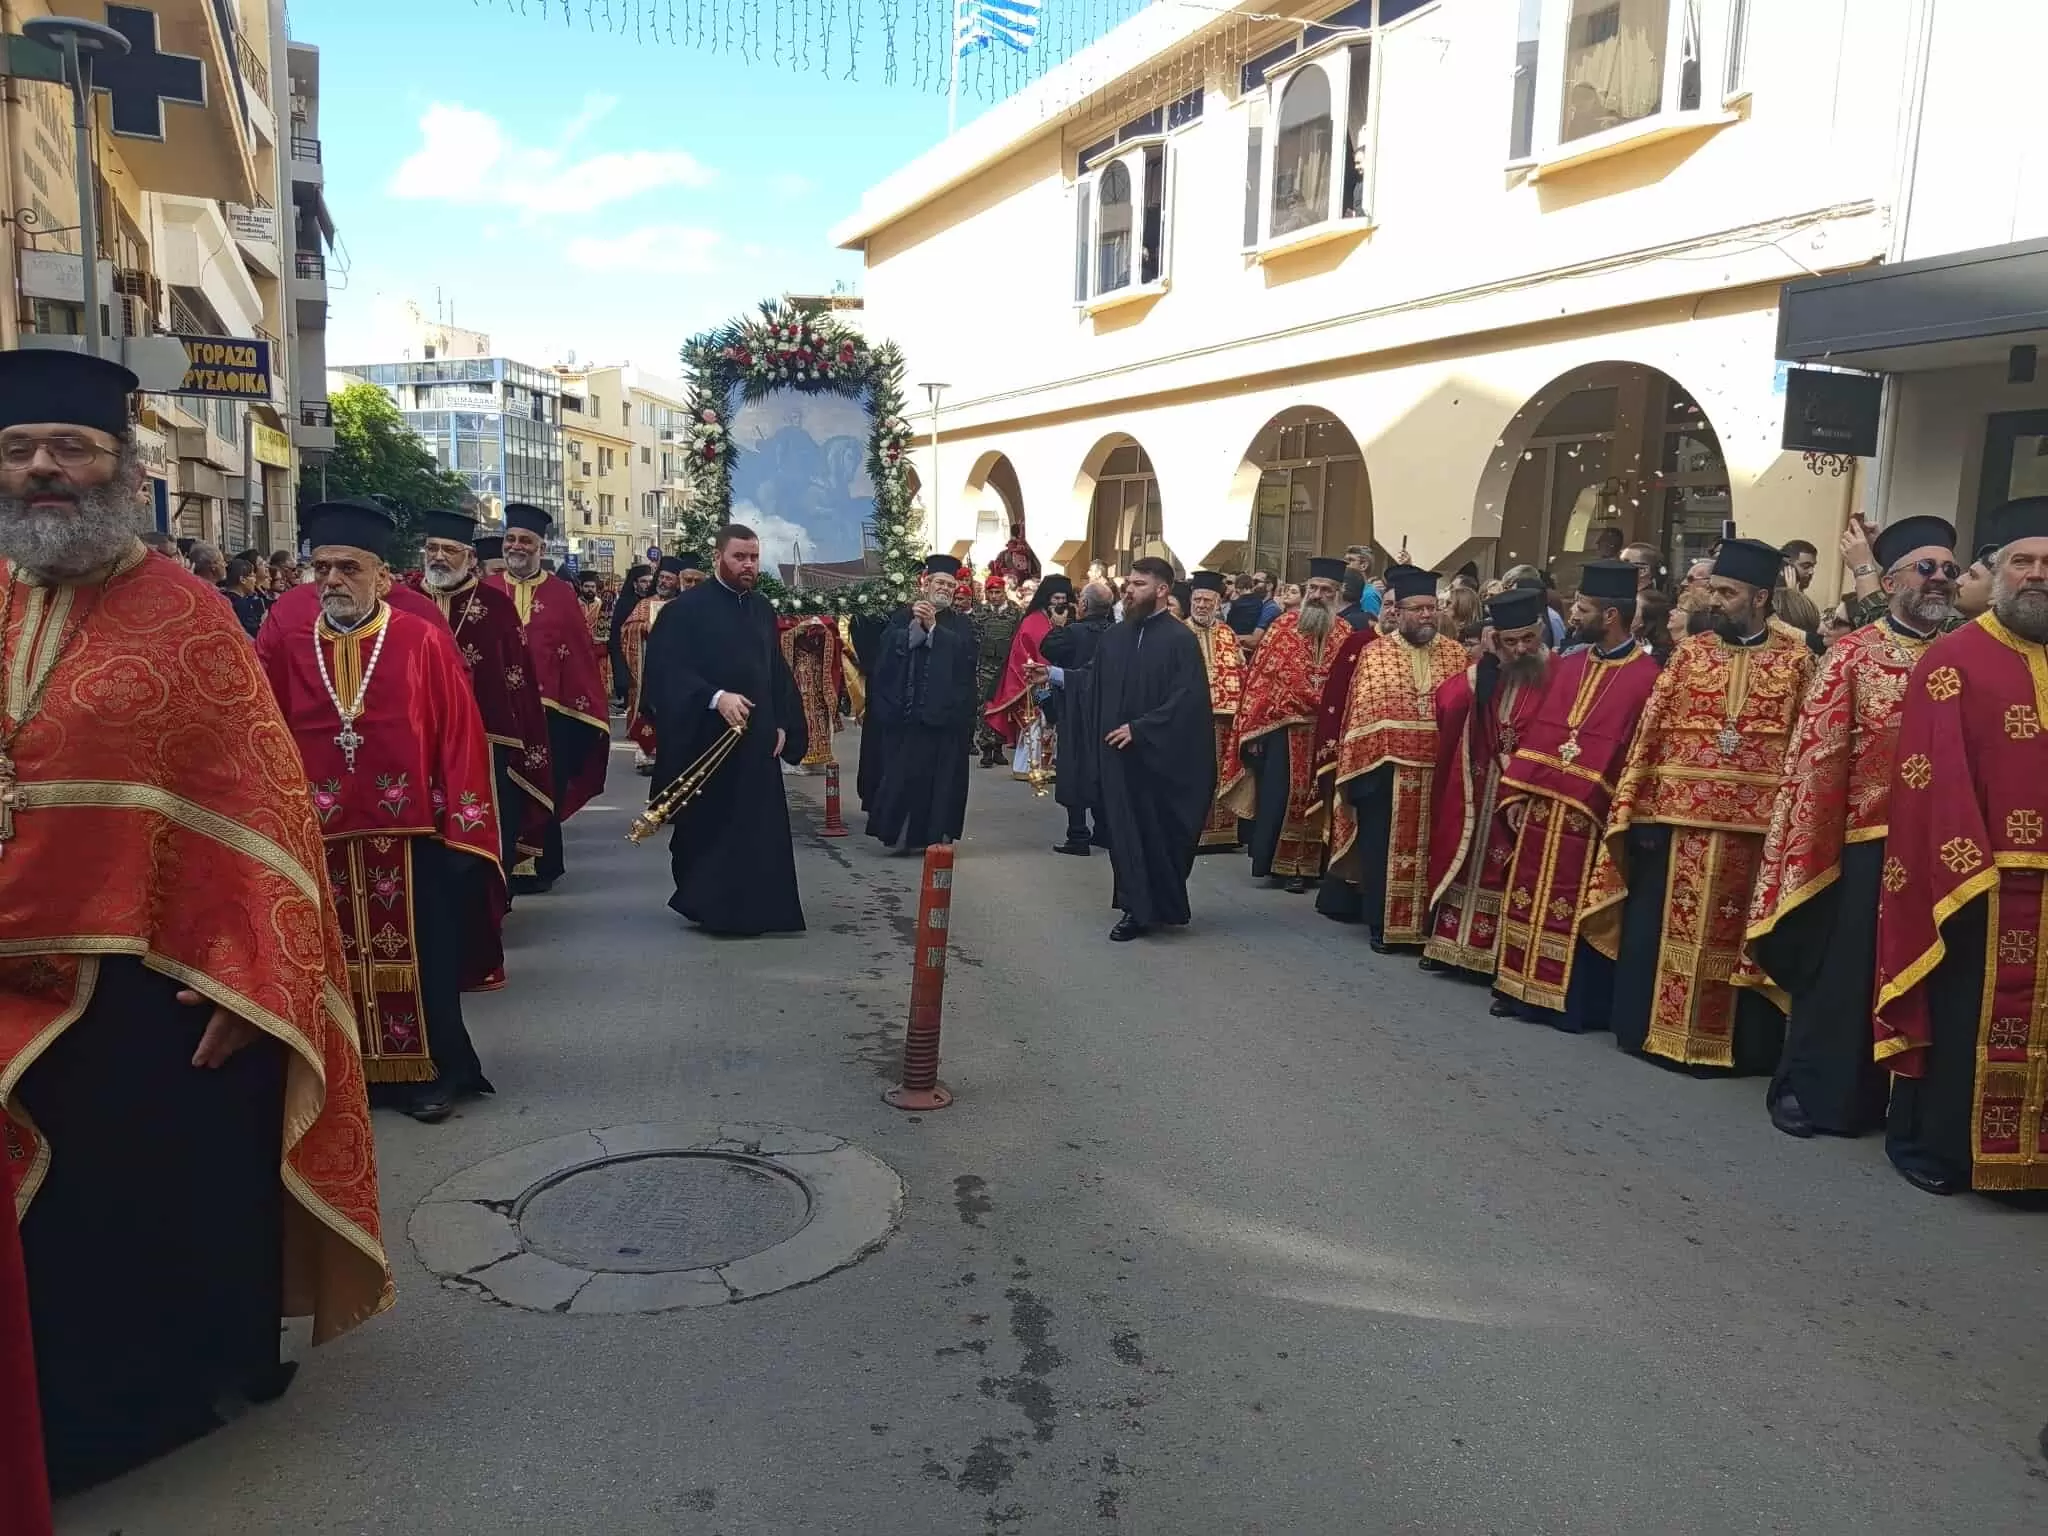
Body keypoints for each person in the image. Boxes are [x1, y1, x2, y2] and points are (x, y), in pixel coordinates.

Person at [0, 351, 389, 1492]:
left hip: (138, 983)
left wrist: (255, 979)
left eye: (71, 448)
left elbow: (260, 809)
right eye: (18, 451)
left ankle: (137, 1406)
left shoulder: (187, 614)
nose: (42, 469)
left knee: (121, 1216)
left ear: (124, 467)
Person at [259, 498, 504, 1122]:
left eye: (348, 568)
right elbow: (263, 730)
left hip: (411, 831)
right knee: (331, 960)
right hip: (320, 831)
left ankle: (431, 1075)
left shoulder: (420, 639)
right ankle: (350, 1076)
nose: (333, 581)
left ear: (381, 575)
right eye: (321, 568)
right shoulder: (289, 641)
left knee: (421, 959)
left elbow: (460, 733)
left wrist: (464, 826)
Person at [1744, 516, 1957, 1140]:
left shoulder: (1962, 654)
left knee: (1929, 975)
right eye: (1925, 568)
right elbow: (1817, 756)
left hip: (1944, 849)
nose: (1940, 578)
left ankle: (1909, 1108)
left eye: (1949, 569)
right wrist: (1814, 849)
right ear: (1889, 583)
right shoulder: (1853, 653)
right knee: (1846, 974)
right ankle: (1816, 1094)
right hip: (1865, 844)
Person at [1582, 538, 1817, 1074]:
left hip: (1755, 835)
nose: (1715, 601)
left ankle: (1739, 1048)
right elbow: (1653, 734)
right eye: (1714, 590)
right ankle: (1651, 1032)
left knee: (1741, 934)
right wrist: (1641, 812)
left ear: (1760, 597)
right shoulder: (1691, 655)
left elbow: (1806, 748)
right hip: (1677, 825)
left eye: (1728, 593)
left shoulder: (1798, 662)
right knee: (1662, 929)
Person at [1874, 497, 2048, 1195]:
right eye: (2023, 562)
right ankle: (1942, 1149)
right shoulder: (1954, 659)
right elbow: (1931, 778)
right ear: (1998, 572)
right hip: (1981, 885)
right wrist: (1965, 874)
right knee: (1963, 1016)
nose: (2038, 575)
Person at [1491, 561, 1661, 1029]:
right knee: (1526, 892)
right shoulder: (1569, 665)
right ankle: (1516, 986)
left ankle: (1567, 1001)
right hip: (1541, 805)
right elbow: (1541, 732)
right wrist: (1518, 794)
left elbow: (1636, 751)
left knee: (1574, 901)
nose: (1573, 614)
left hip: (1592, 815)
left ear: (1610, 615)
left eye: (1582, 608)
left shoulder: (1647, 677)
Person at [640, 523, 809, 935]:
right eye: (739, 556)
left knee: (758, 827)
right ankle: (714, 907)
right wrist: (715, 697)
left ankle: (761, 909)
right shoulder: (685, 610)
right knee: (712, 827)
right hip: (707, 742)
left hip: (757, 740)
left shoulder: (762, 608)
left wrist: (783, 721)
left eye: (754, 557)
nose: (748, 564)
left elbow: (774, 671)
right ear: (718, 557)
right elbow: (666, 671)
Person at [418, 509, 557, 988]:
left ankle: (480, 927)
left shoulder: (493, 606)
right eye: (432, 549)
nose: (439, 557)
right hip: (416, 742)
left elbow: (517, 680)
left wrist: (521, 736)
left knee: (475, 838)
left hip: (485, 740)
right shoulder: (404, 602)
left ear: (469, 557)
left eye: (449, 550)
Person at [1321, 565, 1467, 942]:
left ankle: (1425, 927)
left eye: (1431, 608)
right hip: (1384, 774)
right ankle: (1383, 925)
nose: (1426, 615)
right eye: (1418, 609)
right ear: (1398, 612)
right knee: (1381, 848)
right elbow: (1361, 712)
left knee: (1435, 847)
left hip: (1437, 773)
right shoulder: (1375, 654)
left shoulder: (1455, 655)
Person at [1079, 557, 1217, 941]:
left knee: (1161, 835)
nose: (1129, 590)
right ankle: (1134, 909)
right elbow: (1093, 684)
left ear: (1162, 590)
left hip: (1161, 760)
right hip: (1118, 757)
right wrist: (1056, 678)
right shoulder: (1114, 637)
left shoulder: (1180, 640)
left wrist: (1140, 729)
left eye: (1139, 584)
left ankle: (1161, 905)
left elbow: (1187, 700)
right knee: (1125, 836)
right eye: (1128, 583)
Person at [1421, 588, 1556, 978]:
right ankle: (1450, 944)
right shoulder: (1488, 670)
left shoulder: (1559, 672)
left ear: (1540, 631)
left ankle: (1497, 952)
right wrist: (1485, 664)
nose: (1520, 649)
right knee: (1467, 856)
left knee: (1509, 869)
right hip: (1479, 785)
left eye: (1527, 639)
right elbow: (1448, 704)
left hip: (1527, 789)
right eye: (1510, 641)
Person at [489, 504, 608, 892]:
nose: (516, 546)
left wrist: (583, 710)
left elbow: (577, 656)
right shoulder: (487, 591)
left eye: (525, 540)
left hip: (547, 716)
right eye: (510, 539)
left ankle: (540, 865)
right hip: (495, 715)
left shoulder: (560, 595)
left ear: (540, 547)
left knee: (545, 785)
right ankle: (502, 864)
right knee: (501, 790)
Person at [1220, 557, 1354, 893]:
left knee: (1322, 796)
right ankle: (1279, 863)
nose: (1318, 595)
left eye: (1326, 590)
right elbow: (1261, 679)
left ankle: (1312, 866)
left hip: (1327, 733)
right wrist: (1255, 729)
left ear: (1337, 594)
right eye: (1314, 588)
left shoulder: (1346, 633)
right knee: (1280, 797)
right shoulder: (1282, 626)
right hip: (1284, 729)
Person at [866, 556, 977, 850]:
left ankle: (936, 834)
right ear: (925, 584)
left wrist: (934, 630)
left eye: (950, 585)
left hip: (943, 719)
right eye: (940, 583)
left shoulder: (961, 623)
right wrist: (917, 628)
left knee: (941, 783)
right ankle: (902, 836)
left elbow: (964, 659)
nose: (945, 589)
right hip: (907, 717)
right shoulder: (903, 616)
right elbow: (886, 654)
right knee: (904, 777)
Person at [1041, 579, 1119, 854]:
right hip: (1108, 710)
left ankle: (1078, 835)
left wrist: (1058, 625)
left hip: (1075, 707)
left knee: (1073, 767)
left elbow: (1047, 648)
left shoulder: (1072, 632)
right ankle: (1104, 830)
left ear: (1083, 604)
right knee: (1101, 767)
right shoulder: (1116, 632)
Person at [985, 573, 1070, 778]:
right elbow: (1031, 652)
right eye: (1056, 598)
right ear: (1047, 598)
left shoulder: (1056, 618)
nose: (1060, 602)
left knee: (1047, 725)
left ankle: (1043, 765)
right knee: (1035, 724)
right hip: (1033, 683)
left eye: (1063, 598)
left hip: (1050, 679)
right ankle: (1027, 767)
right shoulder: (1034, 621)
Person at [1185, 571, 1247, 851]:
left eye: (1207, 601)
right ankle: (1192, 831)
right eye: (1197, 600)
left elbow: (1241, 670)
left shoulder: (1227, 633)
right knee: (1194, 774)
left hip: (1225, 720)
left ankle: (1222, 833)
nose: (1201, 605)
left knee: (1223, 772)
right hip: (1191, 719)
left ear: (1218, 603)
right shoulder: (1181, 632)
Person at [623, 555, 689, 772]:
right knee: (648, 711)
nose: (663, 582)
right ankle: (648, 757)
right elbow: (627, 629)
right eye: (661, 577)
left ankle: (672, 758)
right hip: (649, 669)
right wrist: (642, 628)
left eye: (669, 579)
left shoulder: (683, 605)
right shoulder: (645, 604)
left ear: (677, 582)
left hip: (677, 670)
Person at [780, 609, 845, 772]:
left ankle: (818, 757)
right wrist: (797, 630)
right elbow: (780, 640)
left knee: (819, 713)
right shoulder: (785, 617)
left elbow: (833, 637)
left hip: (818, 675)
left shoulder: (822, 615)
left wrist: (823, 632)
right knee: (800, 713)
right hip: (798, 674)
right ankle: (798, 757)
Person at [971, 571, 1022, 767]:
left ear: (1004, 592)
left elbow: (1019, 637)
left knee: (1004, 706)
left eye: (998, 592)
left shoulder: (1015, 612)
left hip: (1006, 666)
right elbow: (973, 636)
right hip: (985, 667)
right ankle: (986, 749)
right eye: (990, 592)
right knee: (986, 706)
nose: (994, 596)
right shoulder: (980, 612)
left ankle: (999, 748)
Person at [610, 563, 652, 704]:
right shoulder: (625, 604)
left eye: (650, 581)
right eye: (643, 581)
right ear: (635, 584)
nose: (648, 585)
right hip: (630, 658)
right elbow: (616, 637)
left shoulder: (654, 602)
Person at [578, 570, 614, 699]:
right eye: (586, 586)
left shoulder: (602, 605)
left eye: (592, 587)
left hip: (598, 650)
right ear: (581, 587)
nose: (590, 590)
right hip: (580, 649)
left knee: (599, 683)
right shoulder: (574, 604)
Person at [222, 554, 266, 637]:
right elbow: (254, 633)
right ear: (242, 580)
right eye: (252, 576)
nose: (255, 580)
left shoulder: (221, 598)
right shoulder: (241, 605)